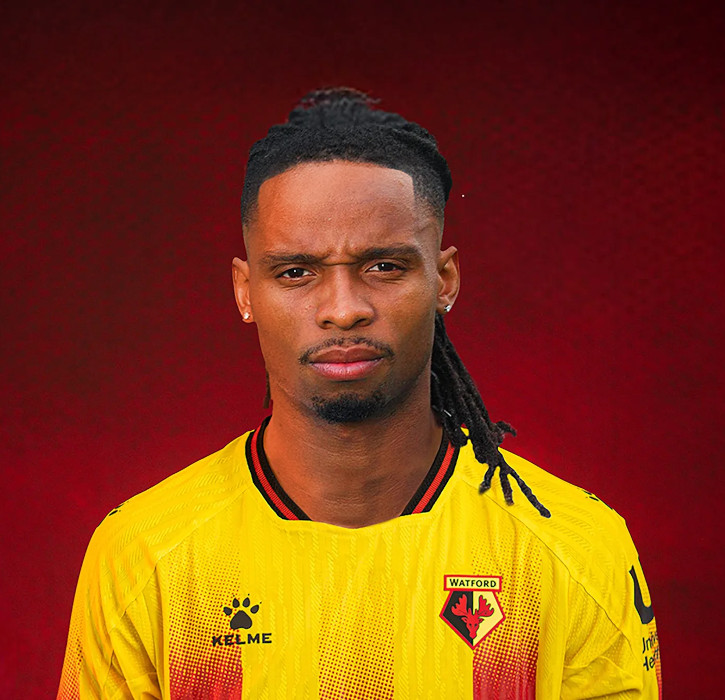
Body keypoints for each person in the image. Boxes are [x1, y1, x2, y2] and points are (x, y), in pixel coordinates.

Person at [58, 88, 662, 698]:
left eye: (384, 267)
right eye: (296, 272)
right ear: (245, 291)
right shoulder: (144, 554)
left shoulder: (575, 549)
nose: (343, 309)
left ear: (444, 279)